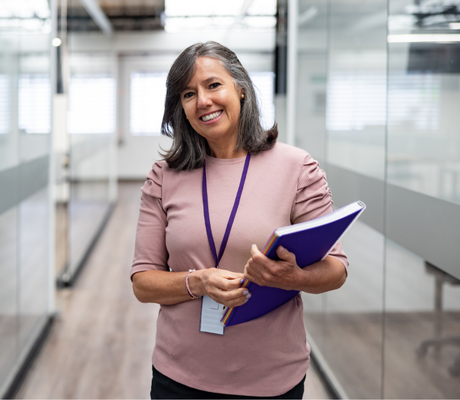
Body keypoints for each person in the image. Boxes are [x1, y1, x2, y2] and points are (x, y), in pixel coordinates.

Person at [130, 41, 348, 399]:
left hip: (272, 378)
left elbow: (336, 269)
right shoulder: (164, 176)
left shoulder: (296, 168)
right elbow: (143, 283)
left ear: (241, 89)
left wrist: (296, 277)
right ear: (180, 108)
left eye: (213, 85)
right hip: (180, 377)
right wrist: (197, 281)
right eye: (188, 93)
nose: (202, 101)